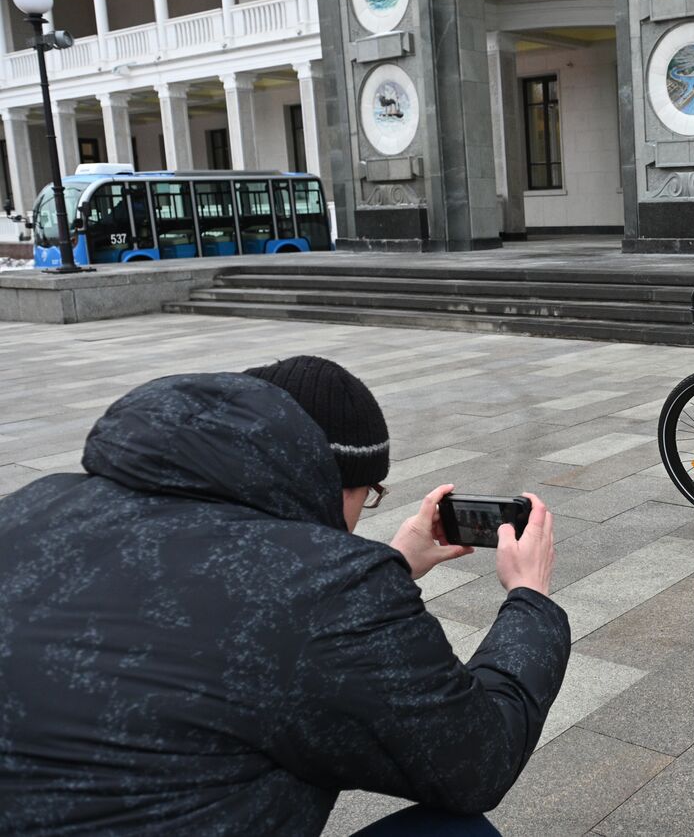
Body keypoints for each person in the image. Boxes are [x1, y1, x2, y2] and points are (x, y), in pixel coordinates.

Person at [0, 355, 570, 836]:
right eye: (369, 493)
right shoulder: (328, 591)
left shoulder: (28, 509)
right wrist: (530, 600)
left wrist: (391, 565)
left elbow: (214, 604)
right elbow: (477, 760)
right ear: (333, 480)